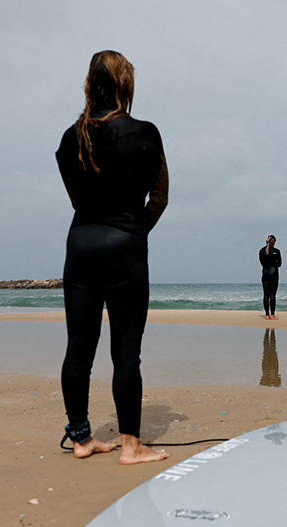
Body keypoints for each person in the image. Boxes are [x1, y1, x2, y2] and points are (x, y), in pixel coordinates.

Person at [55, 50, 170, 465]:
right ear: (125, 85)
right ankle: (130, 446)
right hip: (125, 249)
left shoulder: (71, 138)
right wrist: (133, 231)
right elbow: (160, 196)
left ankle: (82, 440)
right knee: (126, 353)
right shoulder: (146, 132)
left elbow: (76, 198)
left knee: (78, 350)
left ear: (91, 85)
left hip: (80, 245)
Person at [259, 235, 281, 319]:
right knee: (272, 295)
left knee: (266, 295)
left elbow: (262, 263)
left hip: (265, 273)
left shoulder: (261, 251)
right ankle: (272, 315)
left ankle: (267, 315)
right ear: (274, 242)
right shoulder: (276, 251)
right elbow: (279, 264)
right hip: (274, 274)